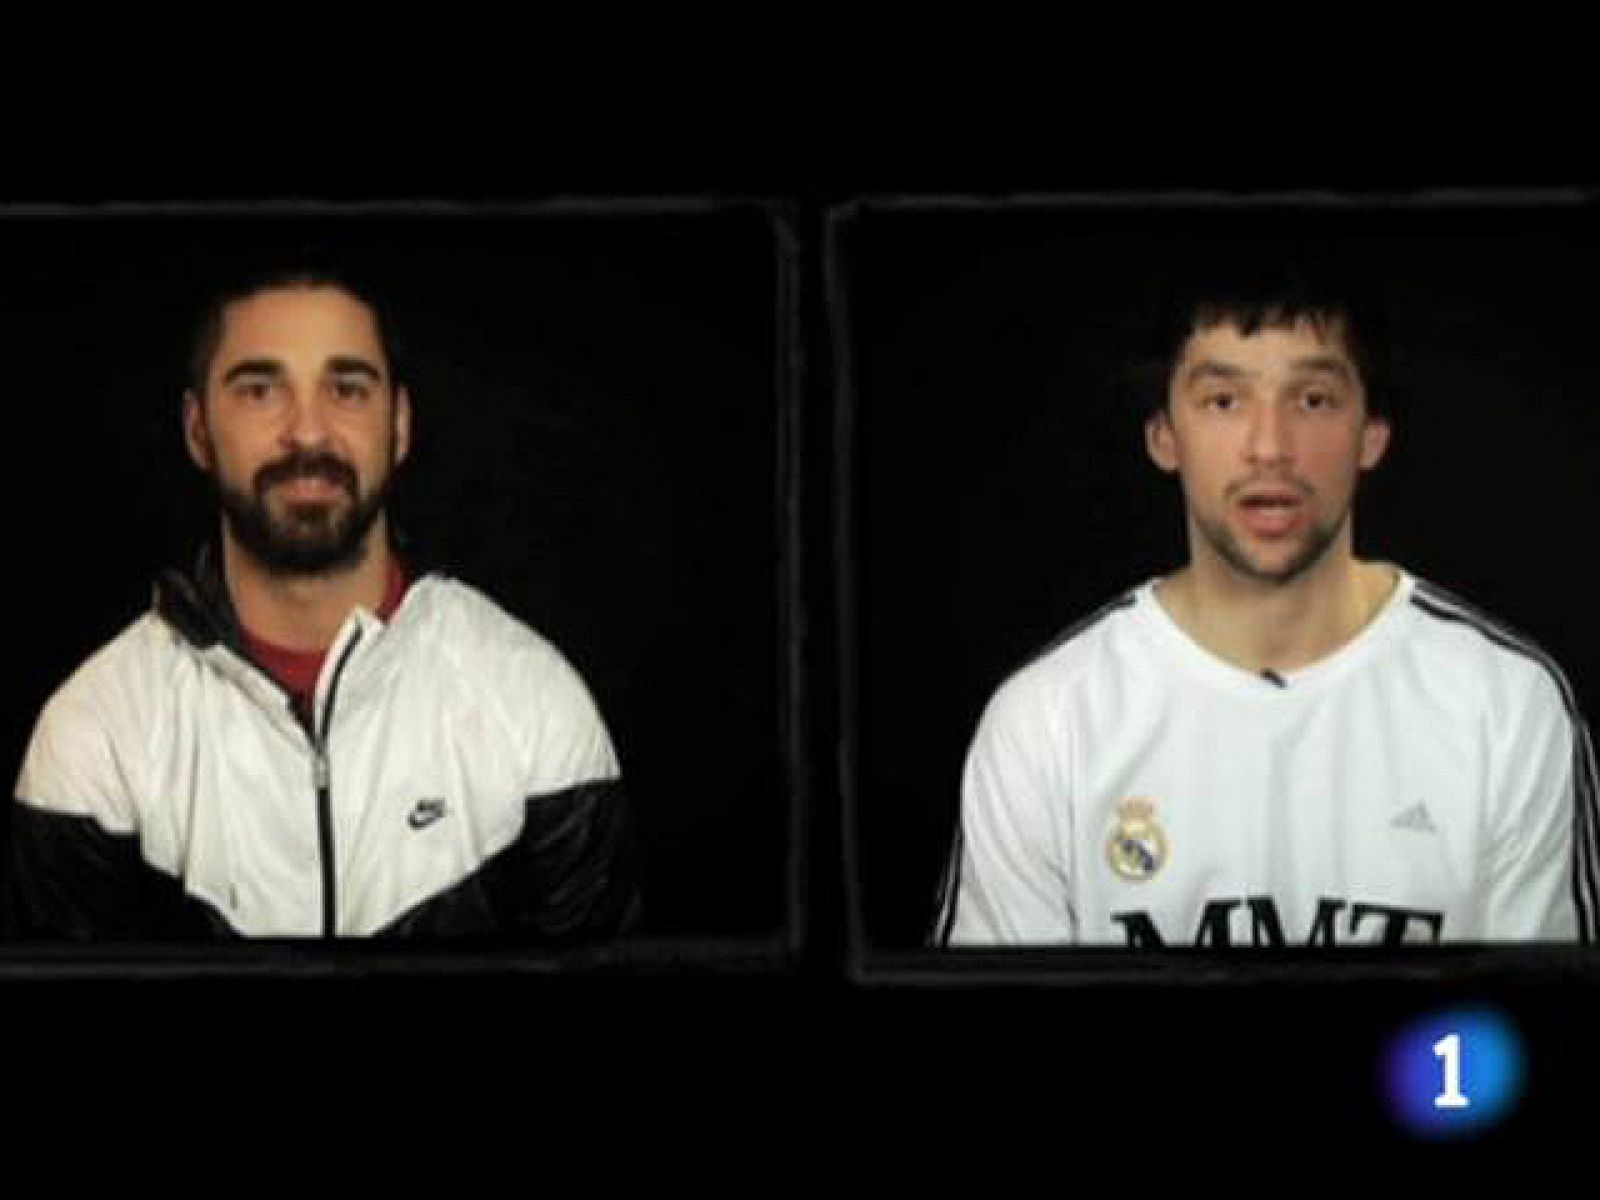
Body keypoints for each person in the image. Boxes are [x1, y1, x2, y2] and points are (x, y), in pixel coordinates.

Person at [933, 259, 1599, 946]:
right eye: (1225, 401)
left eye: (1312, 400)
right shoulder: (1046, 722)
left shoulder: (1506, 705)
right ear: (1164, 435)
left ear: (1372, 433)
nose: (1270, 448)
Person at [9, 265, 639, 940]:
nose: (307, 433)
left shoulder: (534, 705)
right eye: (259, 389)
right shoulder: (93, 734)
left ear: (398, 424)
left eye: (347, 389)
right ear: (197, 429)